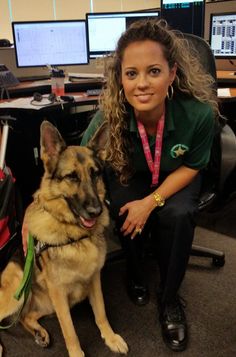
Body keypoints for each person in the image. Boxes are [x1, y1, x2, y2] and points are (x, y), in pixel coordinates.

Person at [80, 19, 218, 352]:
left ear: (172, 73)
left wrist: (151, 202)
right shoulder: (109, 117)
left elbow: (193, 166)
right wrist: (34, 208)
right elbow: (80, 163)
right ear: (120, 78)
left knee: (177, 213)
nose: (141, 84)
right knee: (124, 204)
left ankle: (169, 298)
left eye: (153, 71)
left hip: (176, 173)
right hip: (134, 172)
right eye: (131, 74)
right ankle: (135, 271)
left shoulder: (198, 114)